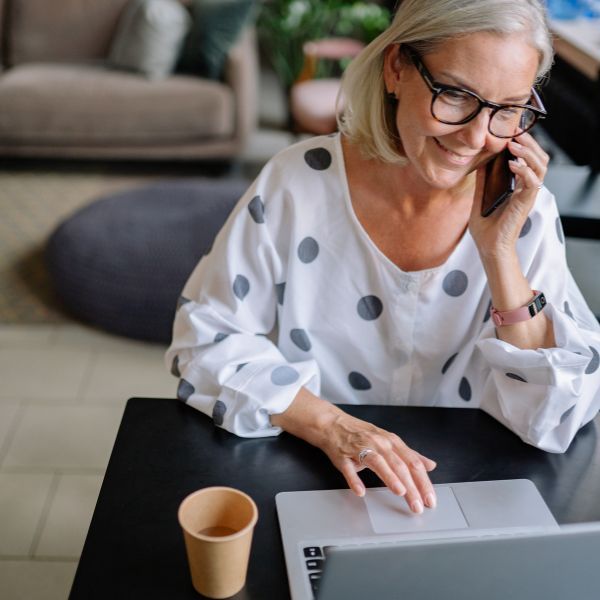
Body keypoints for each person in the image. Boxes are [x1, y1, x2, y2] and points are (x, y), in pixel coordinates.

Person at [166, 0, 600, 515]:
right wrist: (331, 426)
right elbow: (203, 340)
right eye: (457, 95)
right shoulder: (297, 183)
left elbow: (553, 416)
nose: (477, 137)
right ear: (396, 67)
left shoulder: (524, 210)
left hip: (470, 489)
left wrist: (499, 251)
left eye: (507, 109)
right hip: (317, 472)